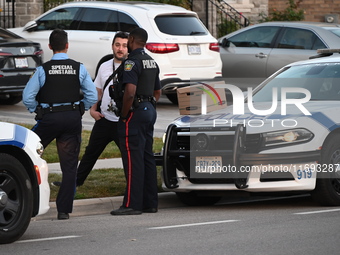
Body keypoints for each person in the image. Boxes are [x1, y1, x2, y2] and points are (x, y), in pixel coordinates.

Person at [22, 28, 97, 220]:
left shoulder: (42, 69)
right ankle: (64, 210)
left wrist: (36, 109)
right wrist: (81, 108)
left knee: (26, 155)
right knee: (70, 166)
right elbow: (92, 95)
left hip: (49, 119)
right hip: (72, 120)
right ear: (67, 46)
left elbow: (27, 97)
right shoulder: (78, 68)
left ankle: (24, 199)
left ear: (49, 47)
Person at [53, 32, 129, 187]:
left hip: (123, 121)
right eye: (117, 45)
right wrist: (93, 110)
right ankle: (75, 182)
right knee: (90, 153)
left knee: (128, 156)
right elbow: (98, 91)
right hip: (104, 118)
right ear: (112, 46)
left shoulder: (131, 67)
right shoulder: (105, 65)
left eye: (124, 45)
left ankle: (132, 187)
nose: (120, 49)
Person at [110, 27, 161, 216]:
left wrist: (124, 115)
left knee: (133, 159)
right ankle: (150, 203)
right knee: (147, 157)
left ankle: (132, 204)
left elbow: (130, 92)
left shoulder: (132, 62)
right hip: (149, 110)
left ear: (131, 40)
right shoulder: (151, 61)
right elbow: (157, 91)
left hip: (135, 113)